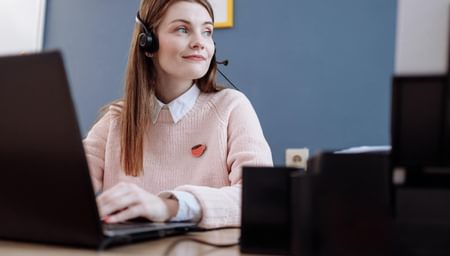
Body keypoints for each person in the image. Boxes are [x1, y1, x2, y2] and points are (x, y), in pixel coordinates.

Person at [83, 0, 273, 228]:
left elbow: (261, 198)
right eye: (182, 29)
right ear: (148, 42)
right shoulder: (115, 121)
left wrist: (170, 206)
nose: (200, 43)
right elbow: (63, 187)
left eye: (207, 31)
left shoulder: (232, 107)